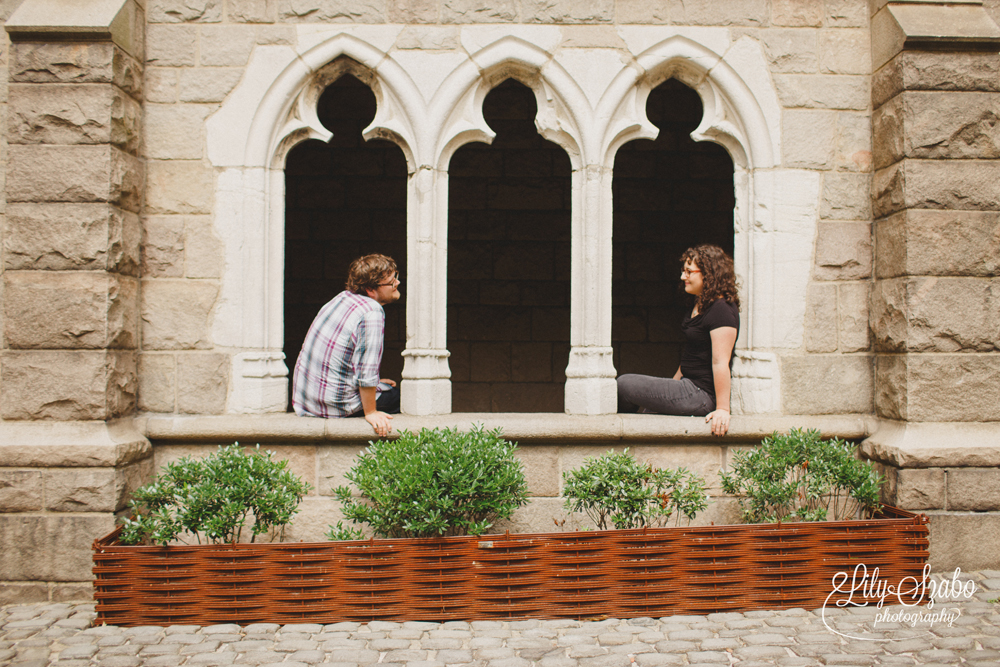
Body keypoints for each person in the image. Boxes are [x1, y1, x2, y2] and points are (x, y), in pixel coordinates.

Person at [617, 244, 740, 436]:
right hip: (687, 386)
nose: (683, 277)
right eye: (683, 271)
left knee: (624, 384)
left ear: (708, 273)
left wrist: (723, 409)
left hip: (701, 395)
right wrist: (671, 386)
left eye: (689, 271)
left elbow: (720, 362)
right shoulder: (701, 304)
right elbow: (691, 355)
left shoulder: (721, 310)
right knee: (647, 412)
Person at [292, 254, 401, 437]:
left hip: (310, 402)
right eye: (391, 282)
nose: (397, 283)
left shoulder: (342, 298)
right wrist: (371, 413)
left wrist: (376, 384)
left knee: (385, 388)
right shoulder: (372, 312)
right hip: (335, 406)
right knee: (401, 397)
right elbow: (367, 371)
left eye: (396, 276)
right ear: (370, 289)